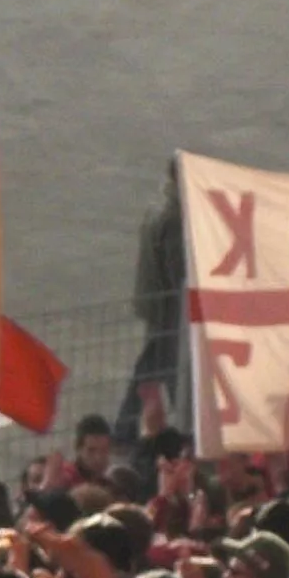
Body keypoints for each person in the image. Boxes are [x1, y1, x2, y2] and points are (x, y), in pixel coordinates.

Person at [115, 157, 185, 444]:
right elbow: (177, 271)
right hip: (169, 307)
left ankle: (124, 428)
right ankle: (188, 425)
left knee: (151, 365)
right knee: (172, 367)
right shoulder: (175, 218)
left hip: (152, 301)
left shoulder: (157, 207)